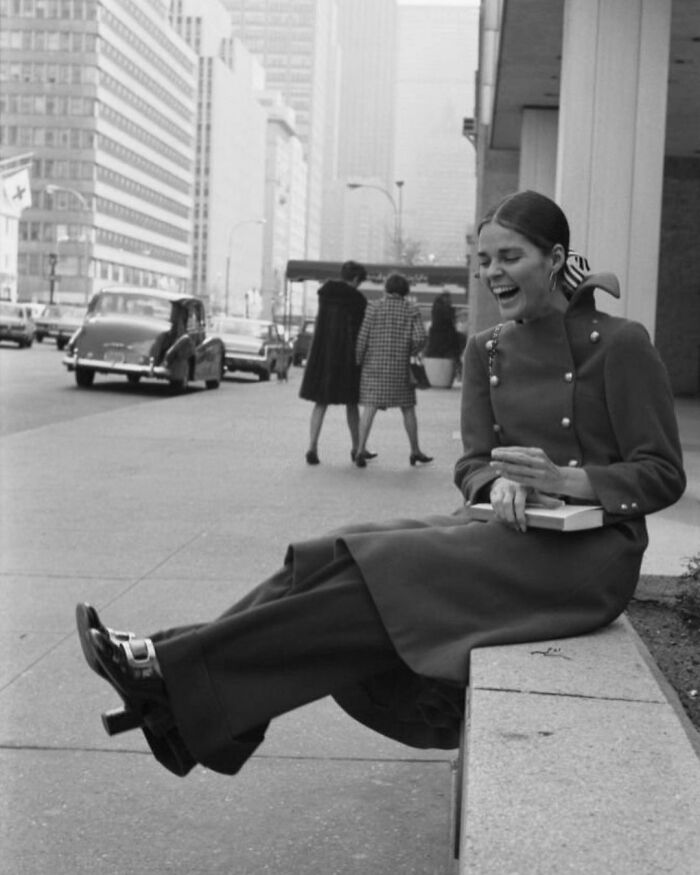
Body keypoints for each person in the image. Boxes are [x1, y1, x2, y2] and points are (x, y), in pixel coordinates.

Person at [76, 190, 685, 779]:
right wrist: (496, 483)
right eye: (483, 260)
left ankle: (169, 677)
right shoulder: (486, 350)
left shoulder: (620, 344)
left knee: (375, 575)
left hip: (587, 556)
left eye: (509, 257)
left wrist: (564, 479)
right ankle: (176, 683)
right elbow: (473, 463)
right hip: (505, 530)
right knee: (332, 553)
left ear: (554, 259)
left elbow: (661, 473)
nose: (491, 273)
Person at [354, 272, 433, 467]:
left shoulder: (373, 307)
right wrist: (409, 350)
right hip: (400, 368)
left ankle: (360, 449)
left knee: (369, 407)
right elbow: (420, 337)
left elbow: (362, 337)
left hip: (373, 366)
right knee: (408, 408)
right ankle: (415, 450)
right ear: (405, 290)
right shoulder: (411, 309)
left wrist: (358, 360)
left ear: (386, 288)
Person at [298, 259, 373, 465]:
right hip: (347, 358)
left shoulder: (325, 295)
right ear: (355, 279)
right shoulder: (357, 300)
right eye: (359, 281)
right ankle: (357, 448)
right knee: (352, 404)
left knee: (320, 403)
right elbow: (360, 332)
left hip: (323, 355)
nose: (359, 285)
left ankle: (312, 446)